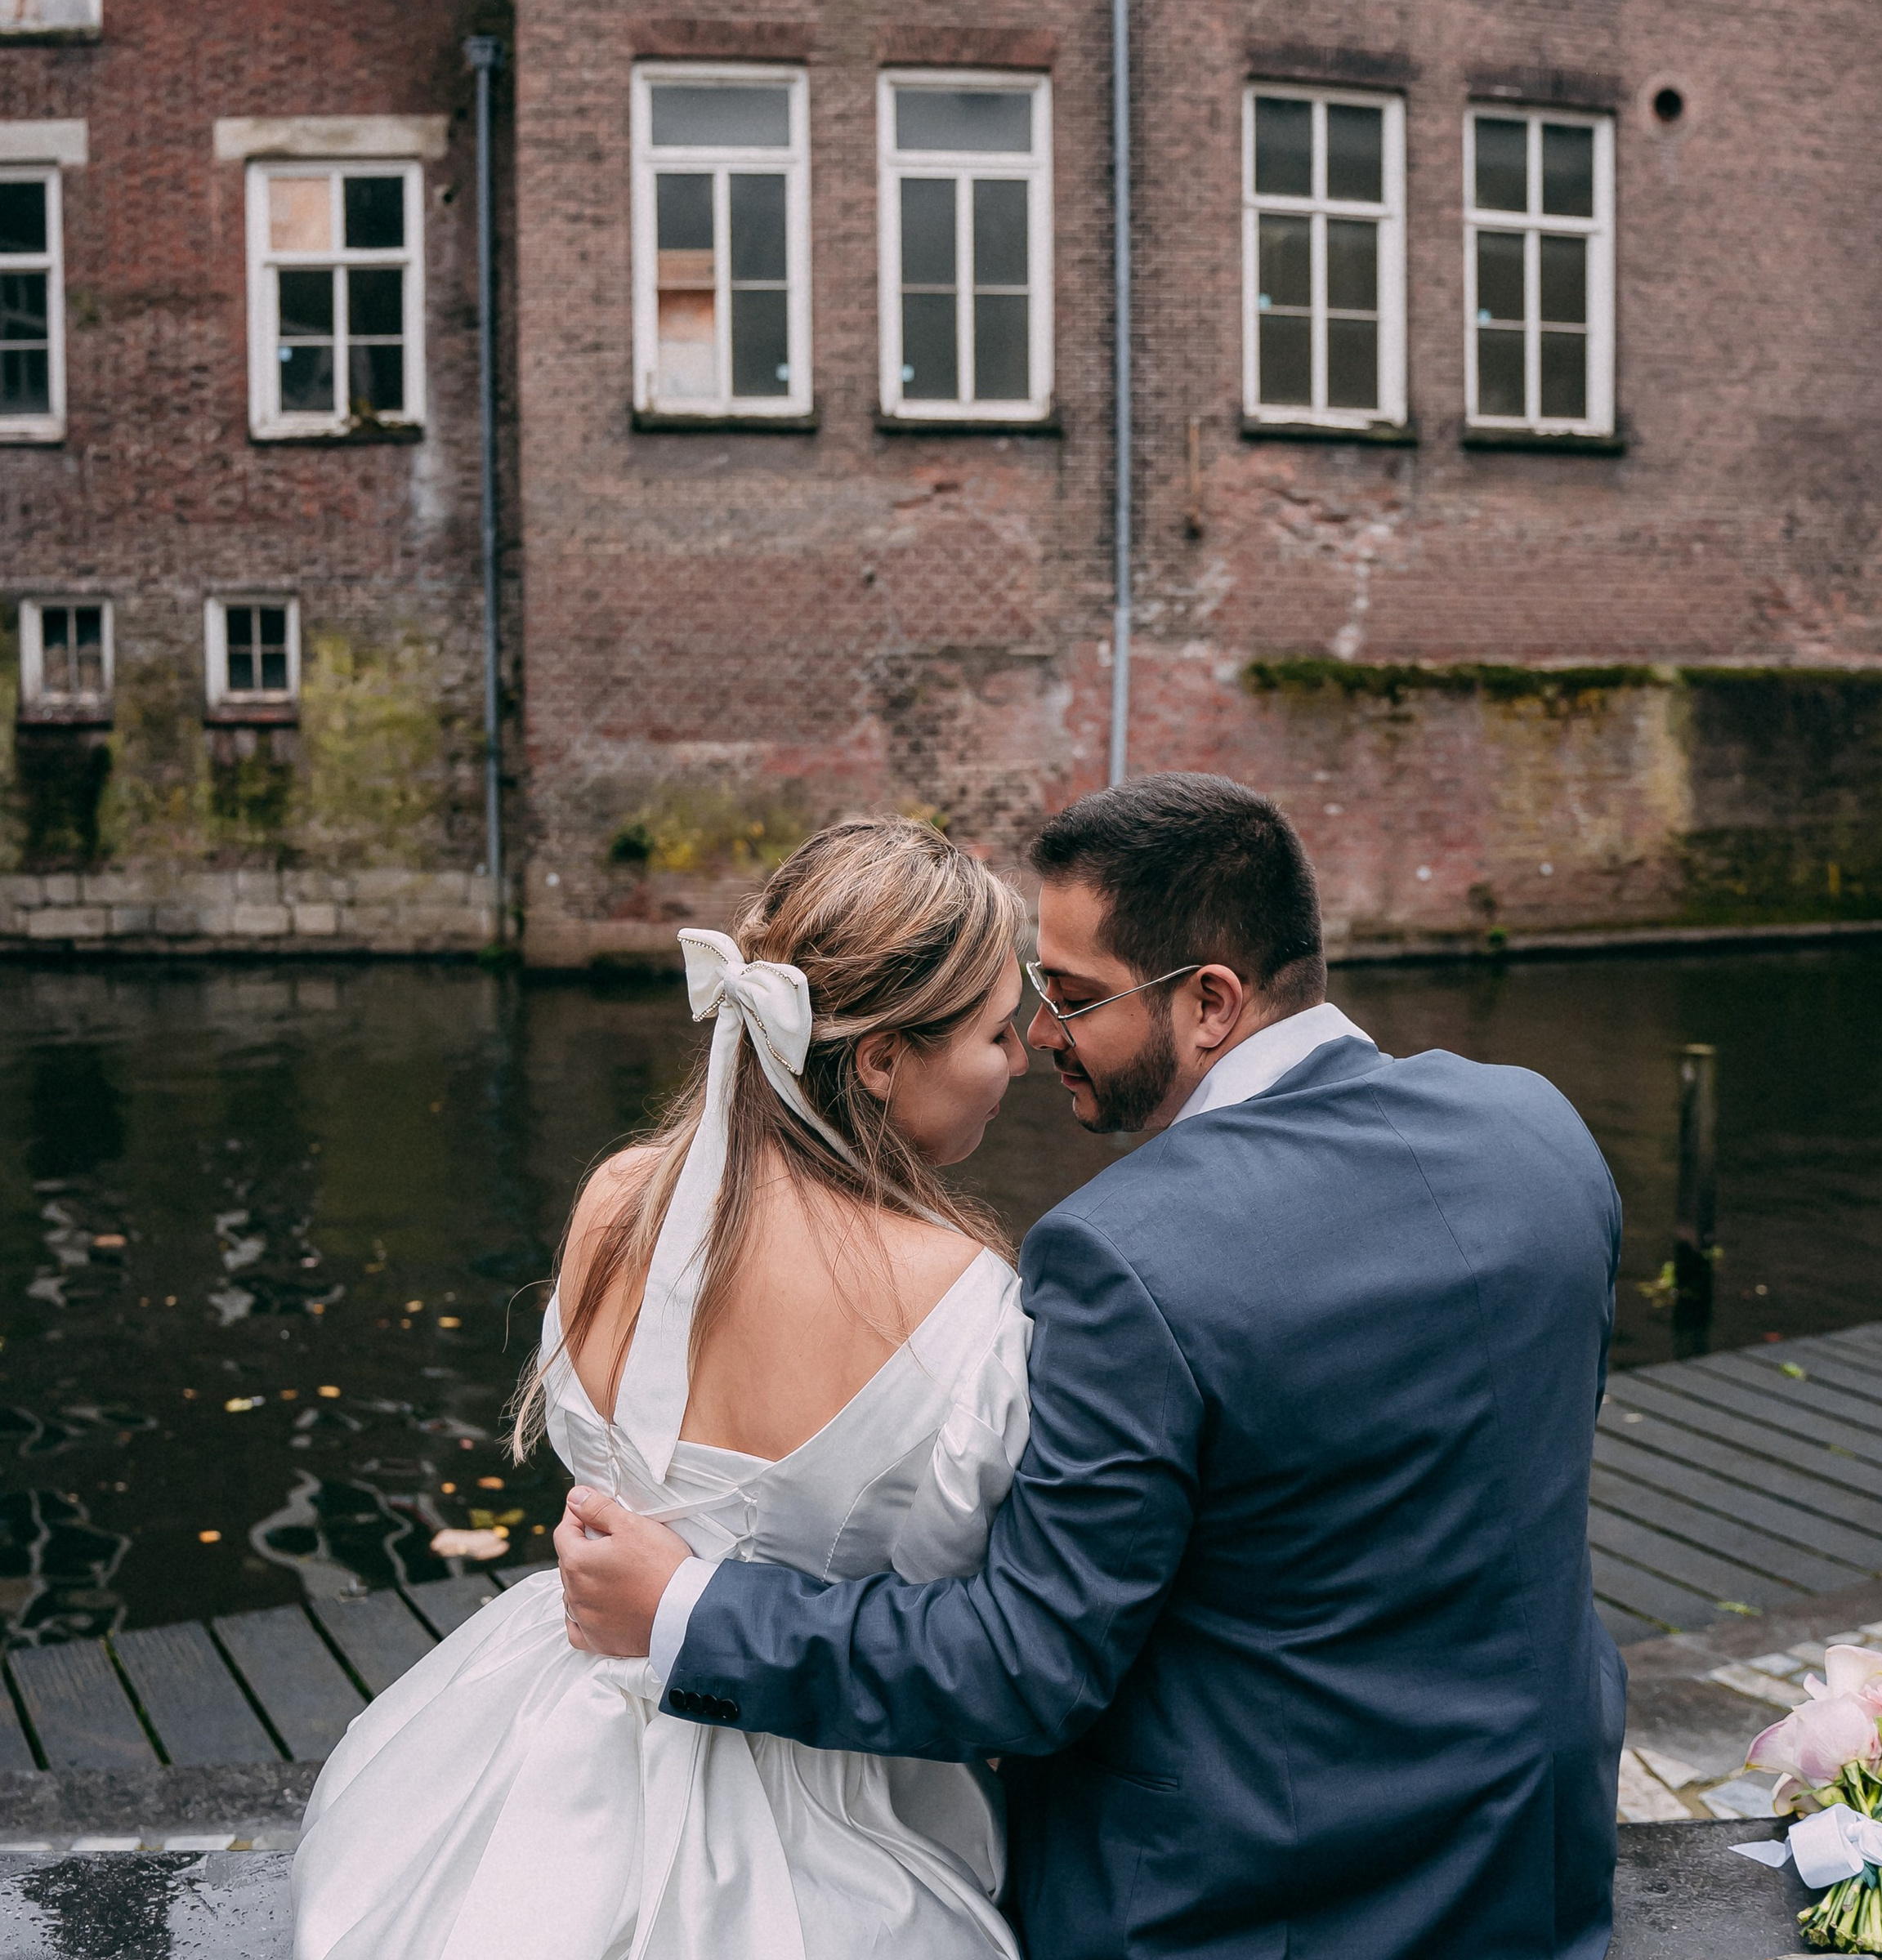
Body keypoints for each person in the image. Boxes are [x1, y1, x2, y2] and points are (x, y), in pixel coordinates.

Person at [561, 770, 1629, 1959]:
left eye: (1068, 998)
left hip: (1248, 1906)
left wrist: (687, 1612)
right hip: (1531, 1864)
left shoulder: (1129, 1254)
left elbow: (1026, 1666)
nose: (1039, 1041)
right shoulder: (1540, 1134)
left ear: (1210, 1003)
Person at [292, 818, 1039, 1960]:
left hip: (550, 1720)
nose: (1025, 1060)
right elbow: (956, 1606)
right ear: (884, 1059)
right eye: (999, 1032)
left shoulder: (618, 1197)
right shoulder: (968, 1300)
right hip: (809, 1774)